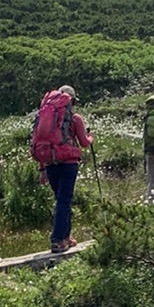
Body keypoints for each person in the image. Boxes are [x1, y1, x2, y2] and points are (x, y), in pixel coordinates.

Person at [30, 84, 93, 252]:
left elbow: (44, 142)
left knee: (61, 200)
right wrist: (91, 137)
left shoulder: (44, 116)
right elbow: (85, 143)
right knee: (64, 201)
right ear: (71, 101)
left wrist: (42, 169)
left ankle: (66, 237)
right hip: (68, 164)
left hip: (50, 163)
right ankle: (57, 240)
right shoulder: (75, 118)